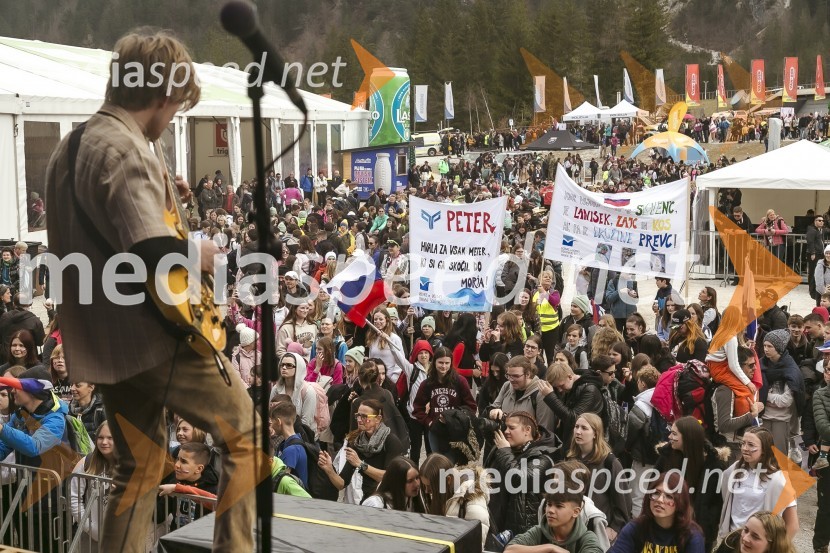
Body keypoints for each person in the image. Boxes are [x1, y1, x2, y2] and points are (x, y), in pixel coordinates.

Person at [45, 30, 256, 552]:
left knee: (137, 469)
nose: (173, 117)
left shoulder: (70, 147)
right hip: (153, 337)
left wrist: (166, 196)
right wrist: (201, 251)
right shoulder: (127, 152)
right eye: (177, 107)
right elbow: (151, 255)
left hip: (103, 344)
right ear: (162, 95)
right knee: (248, 438)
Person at [654, 416, 727, 550]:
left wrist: (705, 529)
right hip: (667, 527)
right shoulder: (666, 456)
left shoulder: (714, 466)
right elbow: (653, 486)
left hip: (698, 532)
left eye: (674, 433)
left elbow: (716, 503)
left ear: (688, 437)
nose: (669, 436)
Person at [317, 399, 405, 505]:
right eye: (358, 415)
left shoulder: (391, 441)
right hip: (367, 501)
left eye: (364, 416)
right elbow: (342, 483)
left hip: (388, 501)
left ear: (378, 419)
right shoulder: (356, 443)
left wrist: (361, 465)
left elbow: (390, 477)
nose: (359, 420)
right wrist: (329, 469)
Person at [718, 427, 799, 540]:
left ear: (764, 450)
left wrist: (777, 548)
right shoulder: (734, 470)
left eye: (751, 445)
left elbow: (792, 525)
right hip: (733, 540)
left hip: (758, 544)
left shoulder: (778, 480)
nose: (745, 448)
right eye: (743, 443)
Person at [486, 411, 558, 537]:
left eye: (512, 428)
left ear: (527, 430)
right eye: (506, 427)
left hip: (521, 531)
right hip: (495, 521)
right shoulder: (506, 448)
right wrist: (490, 412)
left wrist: (505, 452)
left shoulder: (543, 457)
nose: (506, 431)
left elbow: (520, 480)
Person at [565, 413, 631, 541]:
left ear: (595, 433)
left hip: (598, 528)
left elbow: (623, 500)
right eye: (576, 426)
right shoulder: (569, 458)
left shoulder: (609, 462)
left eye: (584, 428)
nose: (578, 431)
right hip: (572, 527)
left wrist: (615, 528)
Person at [608, 472, 705, 553]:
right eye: (656, 493)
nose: (660, 500)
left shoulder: (691, 535)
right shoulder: (635, 528)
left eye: (669, 496)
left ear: (680, 502)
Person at [412, 346, 477, 462]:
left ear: (451, 363)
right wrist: (429, 422)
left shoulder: (460, 381)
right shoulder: (427, 384)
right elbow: (417, 408)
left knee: (454, 464)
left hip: (455, 430)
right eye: (440, 362)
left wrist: (459, 418)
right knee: (437, 464)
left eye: (447, 363)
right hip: (436, 430)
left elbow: (471, 406)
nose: (444, 366)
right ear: (434, 362)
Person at [420, 453, 491, 548]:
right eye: (424, 486)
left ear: (448, 480)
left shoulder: (473, 502)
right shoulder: (443, 490)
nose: (426, 491)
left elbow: (476, 544)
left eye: (430, 486)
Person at [505, 486, 603, 553]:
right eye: (549, 504)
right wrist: (550, 548)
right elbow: (509, 550)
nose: (550, 510)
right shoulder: (540, 531)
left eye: (559, 506)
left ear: (576, 512)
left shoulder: (587, 538)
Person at [70, 421, 116, 553]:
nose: (104, 442)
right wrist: (91, 528)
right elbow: (73, 497)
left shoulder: (129, 465)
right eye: (100, 437)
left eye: (110, 438)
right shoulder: (87, 462)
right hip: (90, 536)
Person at [487, 356, 555, 435]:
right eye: (508, 375)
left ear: (528, 374)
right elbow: (493, 407)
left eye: (516, 376)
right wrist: (492, 412)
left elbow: (545, 431)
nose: (511, 380)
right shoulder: (507, 386)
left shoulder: (541, 393)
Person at [361, 456, 425, 512]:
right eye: (410, 481)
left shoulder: (413, 499)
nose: (417, 484)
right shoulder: (376, 505)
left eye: (417, 478)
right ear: (397, 483)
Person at [715, 511, 796, 553]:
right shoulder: (731, 543)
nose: (745, 538)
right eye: (746, 530)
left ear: (771, 545)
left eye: (755, 537)